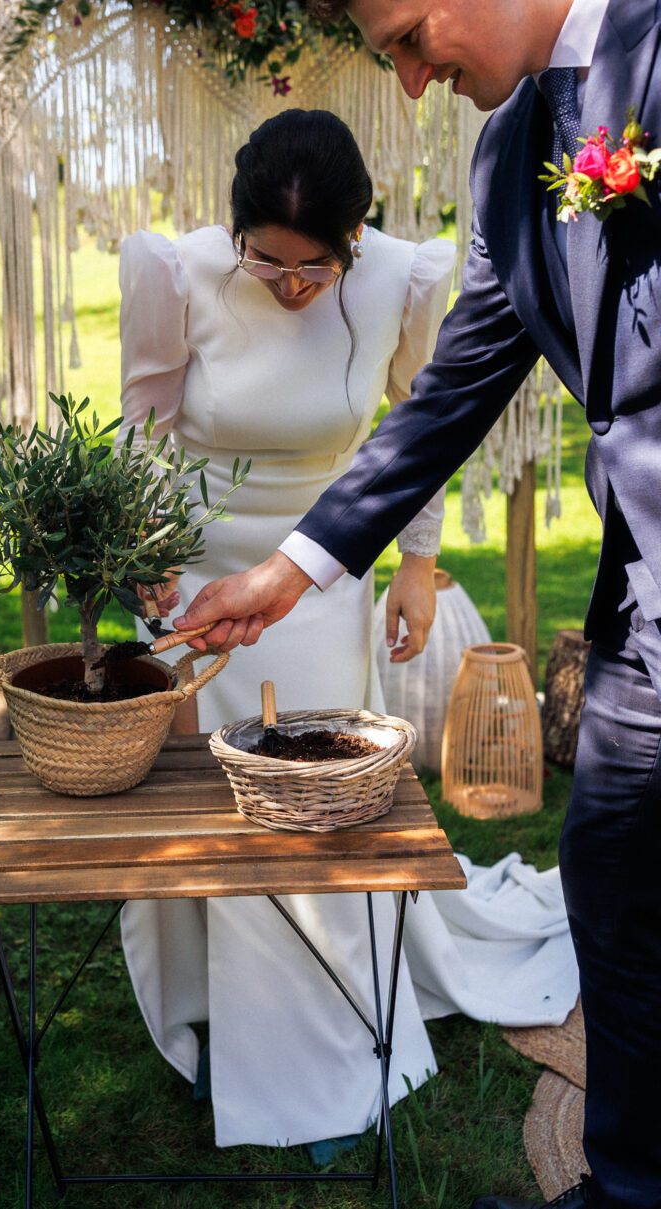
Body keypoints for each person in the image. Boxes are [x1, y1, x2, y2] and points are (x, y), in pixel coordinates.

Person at [173, 1, 661, 1207]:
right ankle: (632, 1183)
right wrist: (288, 575)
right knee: (613, 879)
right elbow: (447, 399)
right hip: (642, 598)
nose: (403, 80)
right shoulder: (507, 159)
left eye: (403, 35)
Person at [116, 107, 456, 1149]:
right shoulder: (174, 273)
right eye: (267, 263)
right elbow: (144, 421)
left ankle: (322, 1027)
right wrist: (146, 552)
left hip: (323, 582)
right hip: (199, 588)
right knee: (201, 809)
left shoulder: (405, 277)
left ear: (355, 241)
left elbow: (420, 421)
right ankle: (209, 1009)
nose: (294, 287)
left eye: (316, 268)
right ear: (235, 230)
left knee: (312, 804)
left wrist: (419, 563)